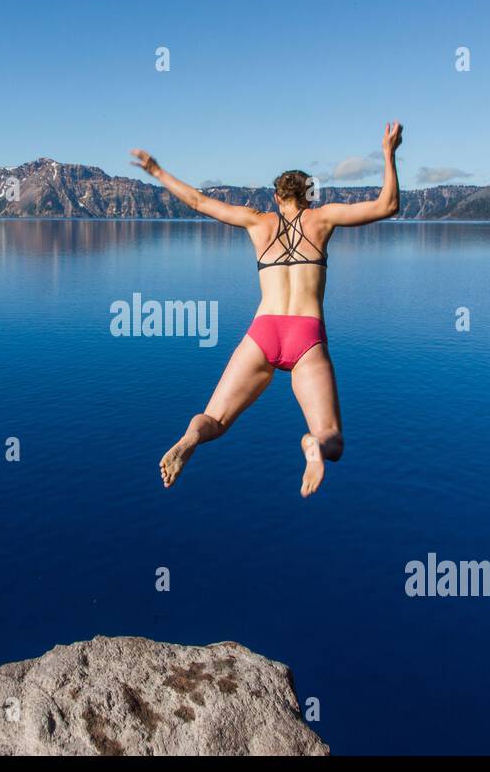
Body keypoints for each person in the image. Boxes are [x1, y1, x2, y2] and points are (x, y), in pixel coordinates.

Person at [130, 121, 403, 497]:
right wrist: (389, 153)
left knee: (213, 419)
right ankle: (313, 447)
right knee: (332, 440)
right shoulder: (323, 219)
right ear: (308, 195)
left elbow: (197, 201)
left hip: (263, 333)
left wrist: (157, 171)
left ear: (276, 198)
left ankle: (190, 438)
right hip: (306, 336)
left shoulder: (257, 222)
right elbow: (388, 205)